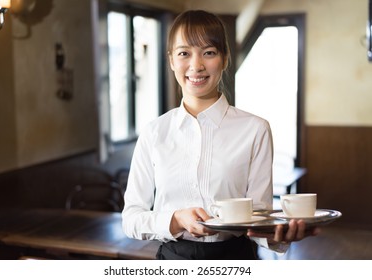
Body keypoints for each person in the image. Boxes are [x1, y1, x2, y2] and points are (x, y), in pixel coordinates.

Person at [122, 9, 319, 260]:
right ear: (171, 60)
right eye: (184, 53)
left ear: (224, 59)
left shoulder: (255, 129)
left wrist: (278, 236)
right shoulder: (154, 133)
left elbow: (257, 218)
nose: (196, 65)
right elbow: (131, 219)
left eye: (209, 52)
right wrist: (175, 219)